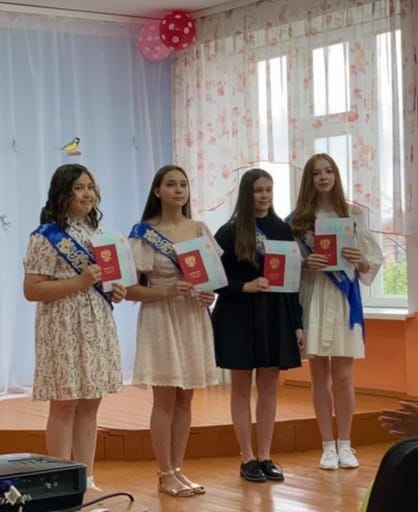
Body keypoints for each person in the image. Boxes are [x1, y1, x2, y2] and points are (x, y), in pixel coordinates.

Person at [23, 164, 125, 491]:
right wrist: (79, 282)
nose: (87, 194)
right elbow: (32, 289)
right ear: (63, 193)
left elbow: (103, 281)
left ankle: (86, 478)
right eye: (79, 188)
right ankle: (61, 481)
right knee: (65, 403)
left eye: (90, 187)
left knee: (90, 403)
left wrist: (114, 290)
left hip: (96, 324)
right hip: (62, 325)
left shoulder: (99, 234)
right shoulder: (46, 236)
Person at [126, 164, 218, 498]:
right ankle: (164, 473)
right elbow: (129, 290)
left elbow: (212, 279)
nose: (178, 190)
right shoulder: (143, 233)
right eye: (170, 184)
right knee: (165, 398)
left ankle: (178, 469)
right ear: (157, 191)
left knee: (185, 397)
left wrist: (208, 294)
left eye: (183, 184)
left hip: (192, 315)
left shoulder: (200, 229)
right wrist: (165, 291)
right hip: (160, 317)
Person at [288, 153, 383, 470]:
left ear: (336, 175)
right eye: (317, 173)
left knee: (343, 376)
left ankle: (345, 443)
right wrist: (306, 263)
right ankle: (327, 445)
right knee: (318, 377)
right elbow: (287, 266)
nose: (323, 177)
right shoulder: (297, 220)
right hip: (314, 296)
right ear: (309, 179)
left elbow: (372, 261)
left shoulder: (353, 214)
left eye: (329, 171)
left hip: (343, 299)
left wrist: (360, 259)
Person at [211, 168, 305, 483]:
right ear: (246, 194)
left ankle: (265, 455)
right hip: (238, 316)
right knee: (241, 387)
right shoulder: (229, 232)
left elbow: (292, 282)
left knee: (269, 386)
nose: (264, 196)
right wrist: (244, 286)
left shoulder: (283, 230)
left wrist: (297, 324)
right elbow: (214, 279)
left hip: (275, 315)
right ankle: (247, 457)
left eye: (268, 189)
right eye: (257, 190)